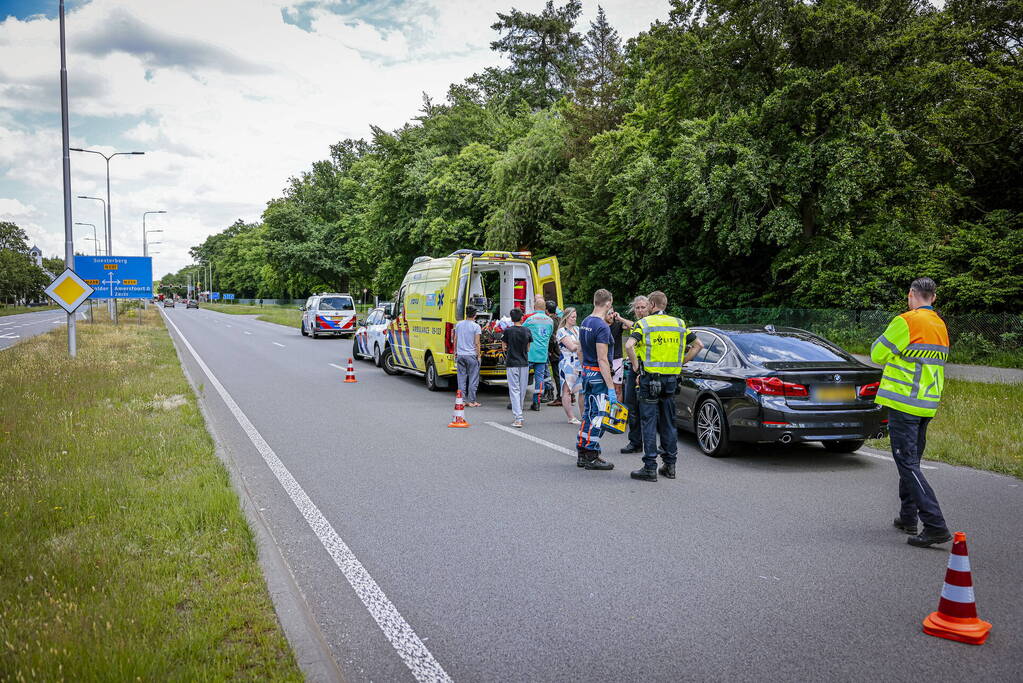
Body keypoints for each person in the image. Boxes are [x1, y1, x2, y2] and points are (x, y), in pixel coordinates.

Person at [871, 277, 952, 548]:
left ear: (911, 294)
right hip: (927, 402)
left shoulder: (906, 321)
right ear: (934, 297)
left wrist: (895, 356)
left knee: (906, 463)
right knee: (911, 460)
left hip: (904, 402)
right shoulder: (939, 325)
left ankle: (935, 524)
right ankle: (908, 517)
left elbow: (877, 354)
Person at [625, 291, 702, 482]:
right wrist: (680, 362)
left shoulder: (645, 323)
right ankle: (670, 465)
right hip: (671, 380)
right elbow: (698, 345)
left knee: (649, 422)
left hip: (650, 380)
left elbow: (629, 345)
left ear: (652, 304)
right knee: (669, 422)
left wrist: (636, 366)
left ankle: (650, 467)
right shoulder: (679, 323)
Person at [575, 289, 617, 471]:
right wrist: (611, 387)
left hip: (587, 372)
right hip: (598, 375)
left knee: (587, 414)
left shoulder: (585, 322)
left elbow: (580, 350)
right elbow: (602, 359)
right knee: (599, 415)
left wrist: (585, 369)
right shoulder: (602, 327)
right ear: (608, 304)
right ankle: (592, 454)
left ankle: (582, 451)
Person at [619, 296, 650, 455]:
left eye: (643, 307)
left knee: (648, 409)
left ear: (649, 308)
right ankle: (635, 442)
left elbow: (632, 327)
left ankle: (649, 444)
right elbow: (632, 325)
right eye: (637, 308)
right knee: (632, 405)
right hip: (634, 367)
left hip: (645, 367)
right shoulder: (638, 325)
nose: (640, 311)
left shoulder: (650, 323)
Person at [522, 295, 555, 412]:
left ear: (534, 306)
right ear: (545, 308)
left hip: (530, 353)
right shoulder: (550, 321)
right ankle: (537, 402)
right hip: (542, 354)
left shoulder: (530, 319)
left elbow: (522, 331)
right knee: (540, 378)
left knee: (523, 377)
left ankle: (519, 401)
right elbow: (550, 335)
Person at [502, 308, 532, 428]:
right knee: (522, 390)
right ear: (521, 318)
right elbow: (528, 348)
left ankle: (518, 417)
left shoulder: (508, 331)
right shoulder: (527, 331)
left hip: (511, 363)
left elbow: (504, 346)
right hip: (524, 363)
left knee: (514, 390)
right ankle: (519, 414)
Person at [451, 306, 482, 407]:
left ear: (466, 313)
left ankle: (462, 401)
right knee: (473, 379)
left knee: (461, 378)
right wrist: (479, 355)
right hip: (471, 355)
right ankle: (472, 401)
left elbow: (455, 339)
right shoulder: (476, 326)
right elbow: (477, 343)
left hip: (460, 355)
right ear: (475, 315)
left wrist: (455, 352)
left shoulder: (459, 325)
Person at [556, 307, 582, 424]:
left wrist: (577, 343)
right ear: (566, 317)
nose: (574, 319)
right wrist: (578, 343)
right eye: (572, 317)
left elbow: (580, 343)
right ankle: (571, 417)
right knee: (567, 390)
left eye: (575, 317)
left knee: (582, 389)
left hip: (579, 362)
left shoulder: (577, 329)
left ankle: (583, 415)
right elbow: (572, 347)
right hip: (567, 363)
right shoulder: (562, 331)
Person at [546, 300, 563, 406]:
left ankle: (560, 397)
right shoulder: (560, 319)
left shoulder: (550, 321)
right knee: (562, 374)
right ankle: (569, 396)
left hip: (555, 351)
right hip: (563, 349)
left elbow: (552, 338)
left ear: (546, 310)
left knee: (557, 375)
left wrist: (550, 351)